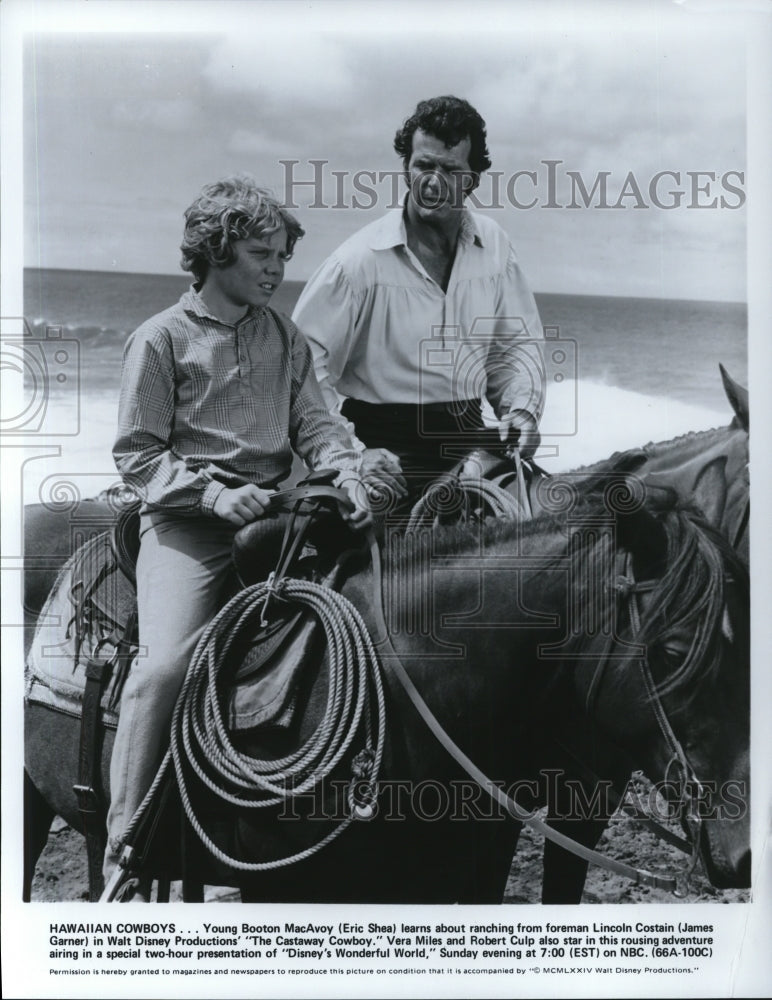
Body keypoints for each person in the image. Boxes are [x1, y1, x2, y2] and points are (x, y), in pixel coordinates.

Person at [105, 175, 369, 890]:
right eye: (264, 254)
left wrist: (345, 471)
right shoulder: (160, 339)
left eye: (283, 255)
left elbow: (315, 421)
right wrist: (214, 496)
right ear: (218, 252)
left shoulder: (285, 336)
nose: (278, 269)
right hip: (188, 526)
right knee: (160, 671)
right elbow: (135, 454)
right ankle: (123, 854)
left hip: (276, 523)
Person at [292, 95, 546, 509]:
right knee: (383, 566)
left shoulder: (496, 245)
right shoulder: (357, 262)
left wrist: (523, 412)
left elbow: (516, 347)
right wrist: (354, 455)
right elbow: (301, 368)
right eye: (423, 165)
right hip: (383, 451)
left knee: (555, 536)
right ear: (406, 168)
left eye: (450, 169)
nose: (433, 181)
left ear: (474, 179)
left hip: (471, 445)